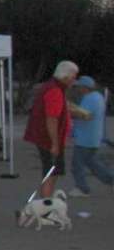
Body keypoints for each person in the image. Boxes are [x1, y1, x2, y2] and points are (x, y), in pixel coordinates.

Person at [24, 61, 79, 198]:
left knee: (52, 172)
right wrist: (55, 144)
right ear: (66, 76)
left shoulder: (53, 87)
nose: (74, 80)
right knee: (51, 172)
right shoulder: (55, 90)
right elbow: (51, 119)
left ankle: (47, 203)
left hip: (45, 137)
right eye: (73, 76)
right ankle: (46, 206)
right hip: (48, 139)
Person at [68, 76, 113, 197]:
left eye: (79, 87)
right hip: (93, 137)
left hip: (85, 138)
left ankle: (82, 188)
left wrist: (70, 111)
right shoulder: (98, 97)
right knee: (92, 163)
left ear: (85, 87)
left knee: (77, 164)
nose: (78, 89)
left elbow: (86, 115)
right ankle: (110, 179)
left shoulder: (89, 99)